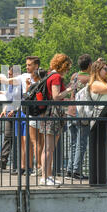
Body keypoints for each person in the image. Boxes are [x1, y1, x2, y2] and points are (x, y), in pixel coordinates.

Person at [39, 54, 75, 185]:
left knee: (48, 148)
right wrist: (70, 89)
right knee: (49, 148)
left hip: (47, 114)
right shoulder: (56, 77)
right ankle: (44, 177)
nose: (68, 70)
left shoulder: (50, 75)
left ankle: (48, 176)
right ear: (63, 65)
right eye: (68, 67)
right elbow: (56, 96)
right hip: (53, 114)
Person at [65, 54, 92, 180]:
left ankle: (70, 170)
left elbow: (70, 90)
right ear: (90, 65)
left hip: (70, 111)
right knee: (81, 143)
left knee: (73, 142)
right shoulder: (90, 79)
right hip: (81, 113)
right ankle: (76, 170)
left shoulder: (74, 76)